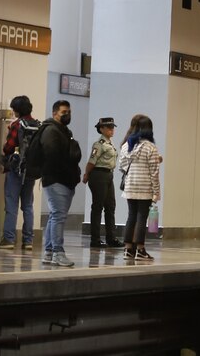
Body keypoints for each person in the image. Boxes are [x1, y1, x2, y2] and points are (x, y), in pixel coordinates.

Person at [0, 96, 38, 250]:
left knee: (11, 204)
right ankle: (28, 241)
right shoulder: (37, 125)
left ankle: (9, 239)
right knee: (28, 206)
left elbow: (8, 148)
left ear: (17, 109)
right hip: (31, 170)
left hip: (15, 169)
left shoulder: (17, 125)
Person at [40, 100, 82, 267]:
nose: (67, 115)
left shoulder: (64, 131)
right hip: (56, 179)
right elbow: (53, 156)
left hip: (65, 179)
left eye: (69, 111)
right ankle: (58, 252)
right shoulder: (51, 131)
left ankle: (49, 252)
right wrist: (67, 171)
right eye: (64, 112)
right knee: (58, 215)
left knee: (54, 215)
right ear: (55, 113)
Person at [119, 114, 161, 261]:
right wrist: (156, 192)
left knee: (131, 216)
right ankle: (141, 250)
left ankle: (128, 250)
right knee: (141, 218)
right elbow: (154, 172)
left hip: (130, 186)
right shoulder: (150, 147)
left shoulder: (126, 146)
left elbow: (122, 166)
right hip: (145, 188)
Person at [84, 117, 123, 248]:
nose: (112, 130)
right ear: (101, 129)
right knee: (97, 207)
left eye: (113, 127)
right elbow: (91, 161)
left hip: (108, 175)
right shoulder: (99, 144)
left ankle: (111, 238)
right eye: (109, 127)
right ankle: (95, 239)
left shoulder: (109, 144)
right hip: (98, 174)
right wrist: (86, 174)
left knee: (110, 206)